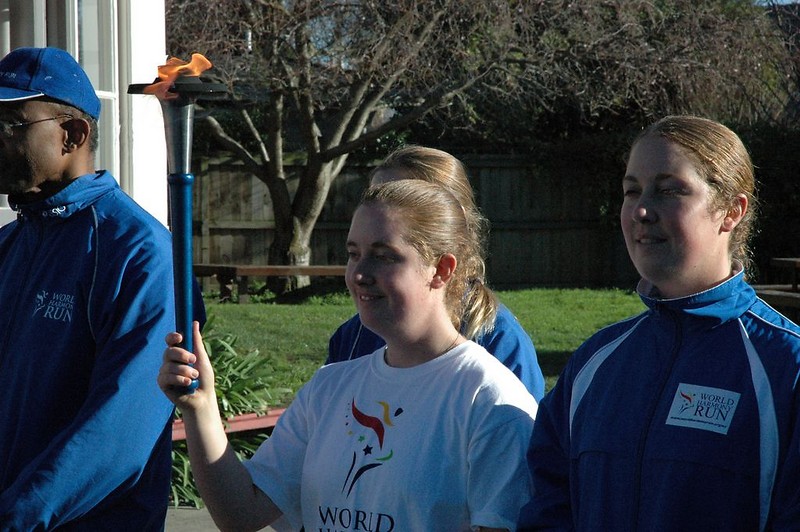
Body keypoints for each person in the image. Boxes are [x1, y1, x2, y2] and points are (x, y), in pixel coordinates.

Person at [159, 180, 538, 531]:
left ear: (441, 269)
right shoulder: (330, 387)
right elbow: (240, 512)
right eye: (354, 254)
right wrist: (200, 408)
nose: (359, 273)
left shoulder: (488, 399)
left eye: (383, 256)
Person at [523, 115, 800, 530]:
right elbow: (547, 507)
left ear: (731, 211)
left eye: (670, 190)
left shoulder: (786, 367)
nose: (642, 210)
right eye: (631, 191)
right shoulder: (594, 364)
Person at [0, 47, 204, 529]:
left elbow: (119, 431)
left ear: (72, 134)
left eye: (9, 124)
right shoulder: (10, 244)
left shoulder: (140, 253)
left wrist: (17, 516)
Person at [327, 145, 546, 401]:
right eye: (377, 196)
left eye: (409, 197)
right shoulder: (353, 337)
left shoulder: (498, 341)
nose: (384, 208)